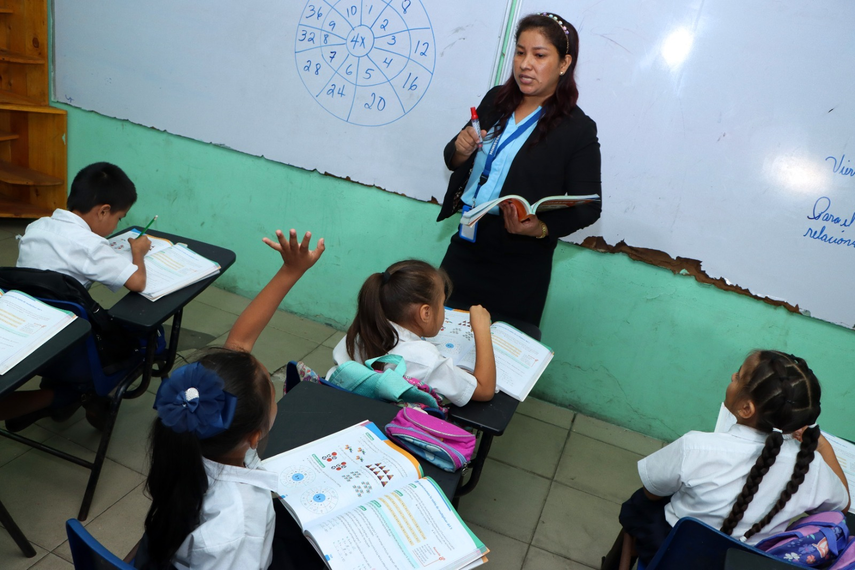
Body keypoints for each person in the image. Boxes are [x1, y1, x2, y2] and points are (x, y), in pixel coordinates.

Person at [136, 228, 326, 570]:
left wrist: (291, 270)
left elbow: (240, 342)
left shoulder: (188, 437)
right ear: (255, 435)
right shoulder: (241, 522)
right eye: (272, 389)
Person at [602, 350, 850, 570]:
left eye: (739, 377)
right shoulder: (809, 466)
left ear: (746, 409)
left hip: (673, 553)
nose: (733, 376)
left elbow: (653, 491)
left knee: (640, 502)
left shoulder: (696, 447)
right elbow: (842, 505)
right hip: (746, 562)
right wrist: (822, 445)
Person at [437, 13, 602, 327]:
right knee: (441, 343)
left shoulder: (577, 129)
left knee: (498, 362)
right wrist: (460, 150)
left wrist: (539, 228)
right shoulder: (495, 101)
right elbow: (451, 158)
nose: (526, 64)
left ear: (564, 64)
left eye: (539, 55)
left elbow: (589, 207)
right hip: (466, 244)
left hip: (520, 262)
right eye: (520, 52)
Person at [0, 162, 151, 429]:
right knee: (148, 339)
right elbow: (137, 282)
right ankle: (72, 395)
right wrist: (138, 252)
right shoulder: (91, 246)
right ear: (103, 211)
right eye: (119, 218)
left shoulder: (37, 227)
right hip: (73, 351)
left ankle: (60, 395)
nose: (118, 223)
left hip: (29, 335)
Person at [330, 259, 496, 406]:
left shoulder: (361, 332)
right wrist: (482, 329)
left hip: (343, 407)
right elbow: (484, 390)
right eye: (442, 303)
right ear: (425, 313)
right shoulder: (424, 358)